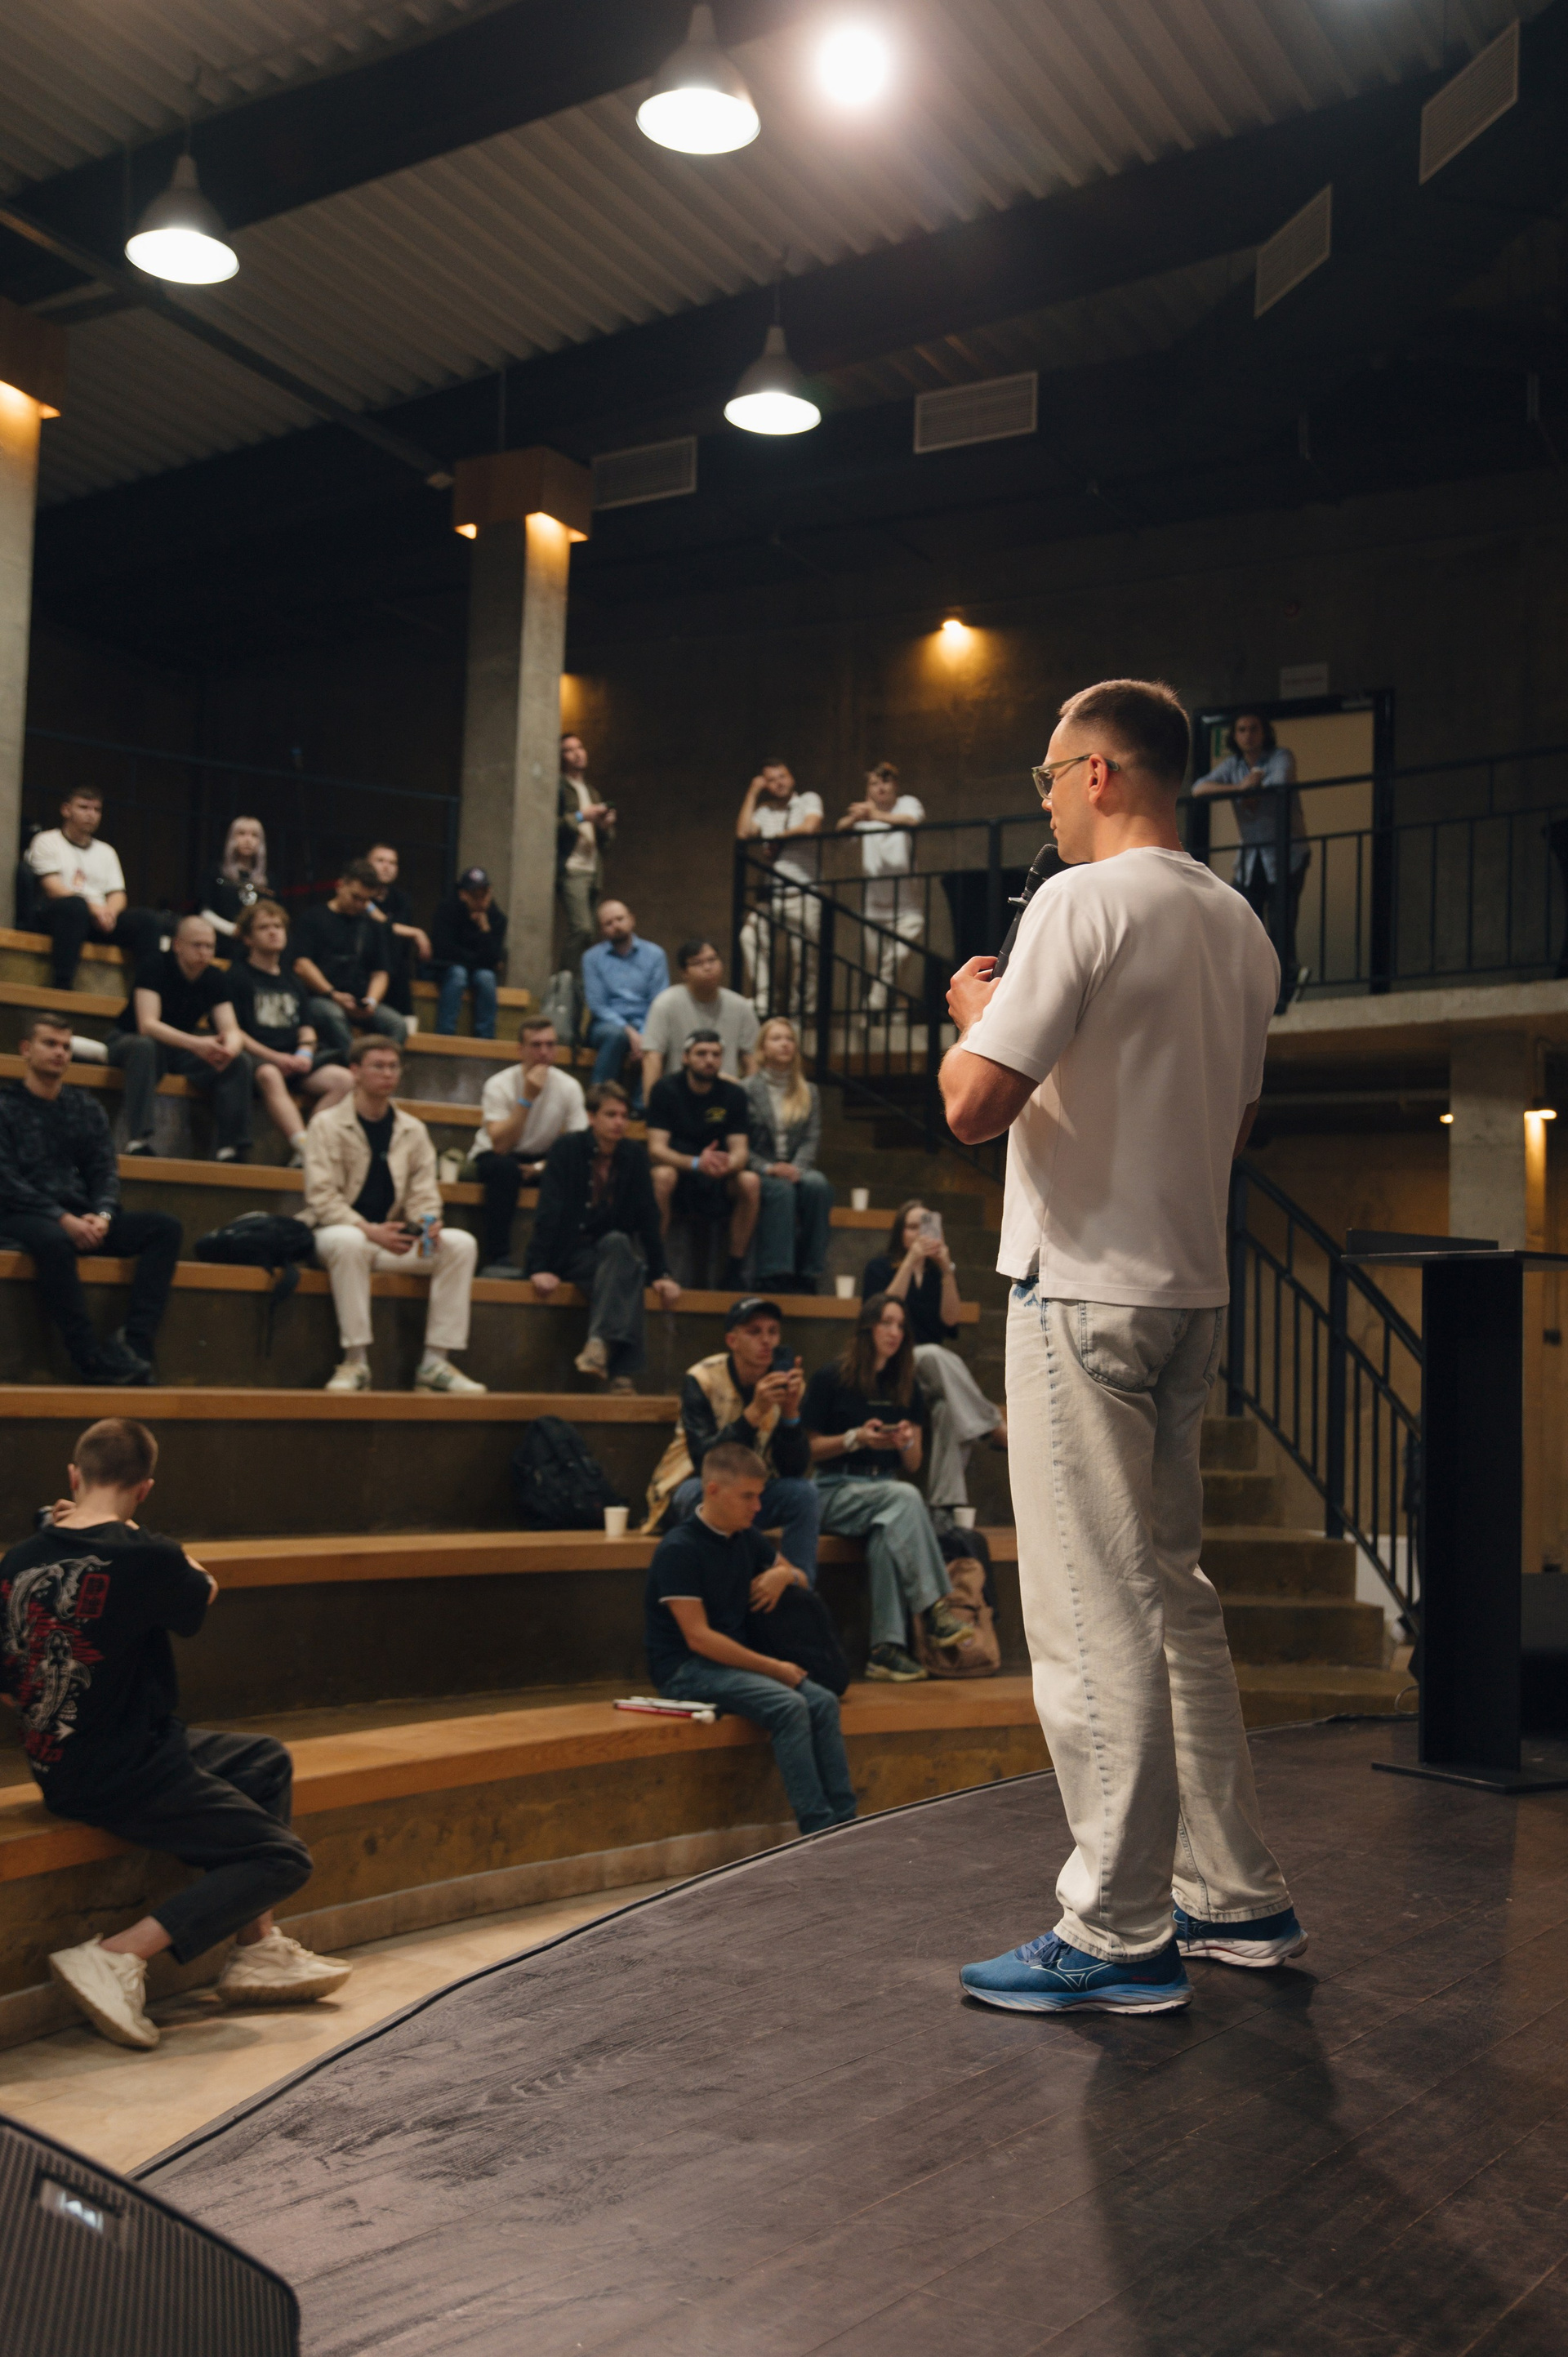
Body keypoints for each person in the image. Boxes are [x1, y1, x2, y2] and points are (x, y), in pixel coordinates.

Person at [943, 674, 1302, 2018]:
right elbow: (1236, 1123)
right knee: (1177, 1601)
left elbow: (976, 1104)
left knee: (1093, 1611)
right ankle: (1236, 1895)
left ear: (1099, 772)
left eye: (1049, 774)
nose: (1044, 799)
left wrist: (970, 1015)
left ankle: (1116, 1927)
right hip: (1189, 1294)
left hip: (1082, 1290)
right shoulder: (1243, 928)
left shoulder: (1077, 902)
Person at [2, 1418, 350, 2050]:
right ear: (145, 1489)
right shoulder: (148, 1555)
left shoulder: (19, 1560)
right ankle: (116, 1954)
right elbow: (205, 1588)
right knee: (281, 1859)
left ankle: (257, 1950)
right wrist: (138, 1533)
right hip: (125, 1770)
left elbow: (9, 1683)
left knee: (264, 1761)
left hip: (60, 1762)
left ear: (74, 1476)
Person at [644, 1441, 856, 1837]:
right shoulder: (679, 1549)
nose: (758, 1507)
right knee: (789, 1705)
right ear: (713, 1491)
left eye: (760, 1496)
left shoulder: (746, 1537)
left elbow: (801, 1577)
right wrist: (773, 1667)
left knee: (824, 1702)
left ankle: (848, 1823)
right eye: (748, 1497)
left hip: (734, 1662)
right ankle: (819, 1830)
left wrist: (783, 1575)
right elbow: (699, 1639)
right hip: (685, 1669)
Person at [0, 1014, 181, 1385]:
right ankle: (88, 1358)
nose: (60, 1053)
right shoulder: (5, 1106)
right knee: (54, 1240)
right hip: (21, 1213)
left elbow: (104, 1171)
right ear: (26, 1049)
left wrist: (103, 1214)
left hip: (80, 1215)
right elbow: (5, 1180)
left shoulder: (85, 1108)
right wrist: (61, 1218)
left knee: (165, 1228)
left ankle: (134, 1345)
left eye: (66, 1046)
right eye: (50, 1044)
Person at [301, 1035, 485, 1396]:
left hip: (393, 1239)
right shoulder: (325, 1124)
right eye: (378, 1066)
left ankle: (435, 1363)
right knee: (350, 1242)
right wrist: (368, 1230)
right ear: (355, 1072)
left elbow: (423, 1193)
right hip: (336, 1234)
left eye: (393, 1067)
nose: (388, 1074)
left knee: (461, 1244)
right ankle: (355, 1362)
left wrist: (427, 1224)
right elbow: (321, 1197)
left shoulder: (412, 1130)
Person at [801, 1293, 971, 1682]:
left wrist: (906, 1442)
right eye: (886, 1323)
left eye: (901, 1326)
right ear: (868, 1328)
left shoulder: (906, 1386)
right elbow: (809, 1450)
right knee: (905, 1498)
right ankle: (934, 1610)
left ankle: (886, 1650)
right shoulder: (832, 1377)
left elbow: (913, 1464)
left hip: (883, 1492)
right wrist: (855, 1438)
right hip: (833, 1488)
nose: (895, 1333)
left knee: (887, 1533)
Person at [643, 1295, 819, 1582]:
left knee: (804, 1493)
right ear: (732, 1340)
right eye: (754, 1332)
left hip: (751, 1492)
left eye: (773, 1332)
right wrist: (754, 1412)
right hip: (691, 1485)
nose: (766, 1341)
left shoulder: (785, 1382)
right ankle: (732, 1587)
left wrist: (790, 1414)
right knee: (707, 1494)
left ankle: (799, 1587)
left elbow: (794, 1469)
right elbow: (704, 1462)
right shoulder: (702, 1379)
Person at [525, 1080, 679, 1392]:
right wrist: (539, 1267)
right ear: (591, 1117)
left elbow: (649, 1216)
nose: (619, 1122)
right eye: (611, 1115)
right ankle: (621, 1372)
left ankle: (598, 1346)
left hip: (610, 1252)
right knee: (631, 1269)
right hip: (569, 1254)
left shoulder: (634, 1156)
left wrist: (662, 1273)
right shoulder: (567, 1149)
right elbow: (549, 1210)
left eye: (624, 1115)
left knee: (621, 1248)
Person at [862, 1198, 1006, 1516]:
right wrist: (910, 1262)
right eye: (912, 1226)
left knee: (946, 1411)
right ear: (900, 1232)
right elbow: (882, 1312)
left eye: (924, 1226)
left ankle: (944, 1507)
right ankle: (993, 1427)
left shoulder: (936, 1274)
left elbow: (951, 1320)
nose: (919, 1233)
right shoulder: (880, 1267)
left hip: (931, 1376)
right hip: (892, 1362)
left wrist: (946, 1271)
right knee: (934, 1354)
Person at [107, 913, 253, 1163]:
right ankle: (137, 1141)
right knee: (145, 1047)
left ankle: (230, 1149)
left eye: (209, 946)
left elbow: (231, 1029)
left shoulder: (214, 977)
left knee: (239, 1061)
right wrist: (197, 1044)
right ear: (177, 945)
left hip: (178, 1050)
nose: (204, 953)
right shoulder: (155, 965)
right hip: (129, 1041)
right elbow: (147, 1025)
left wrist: (228, 1050)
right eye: (197, 945)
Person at [1192, 710, 1310, 1009]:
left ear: (1264, 732)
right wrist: (1241, 787)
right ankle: (1260, 988)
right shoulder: (1232, 766)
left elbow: (1279, 782)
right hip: (1252, 857)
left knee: (1282, 922)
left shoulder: (1280, 756)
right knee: (1245, 921)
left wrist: (1255, 783)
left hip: (1287, 853)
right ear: (1234, 735)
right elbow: (1198, 788)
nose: (1248, 735)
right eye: (1242, 730)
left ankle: (1287, 986)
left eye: (1254, 729)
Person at [225, 899, 355, 1164]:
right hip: (259, 1058)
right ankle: (305, 1147)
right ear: (248, 939)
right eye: (264, 927)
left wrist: (304, 1054)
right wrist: (276, 1058)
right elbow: (234, 1031)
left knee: (345, 1080)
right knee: (270, 1074)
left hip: (293, 1059)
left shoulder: (292, 981)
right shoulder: (237, 976)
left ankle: (308, 1149)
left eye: (278, 926)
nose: (274, 932)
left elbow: (306, 1027)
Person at [474, 1016, 587, 1277]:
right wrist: (527, 1098)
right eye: (536, 1045)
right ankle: (499, 1258)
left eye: (551, 1045)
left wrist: (540, 1168)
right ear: (520, 1050)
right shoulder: (498, 1084)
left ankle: (561, 1260)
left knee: (575, 1174)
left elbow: (579, 1148)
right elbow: (501, 1144)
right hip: (498, 1155)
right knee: (505, 1170)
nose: (544, 1052)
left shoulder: (569, 1087)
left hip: (543, 1158)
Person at [646, 1031, 760, 1289]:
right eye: (701, 1053)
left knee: (750, 1181)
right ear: (685, 1057)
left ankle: (734, 1271)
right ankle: (656, 1265)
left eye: (716, 1054)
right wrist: (697, 1163)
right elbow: (656, 1150)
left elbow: (741, 1152)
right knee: (662, 1176)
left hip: (717, 1176)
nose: (709, 1060)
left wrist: (725, 1165)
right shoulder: (665, 1089)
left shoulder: (734, 1094)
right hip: (680, 1173)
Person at [24, 786, 159, 992]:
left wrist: (109, 913)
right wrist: (93, 908)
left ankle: (147, 991)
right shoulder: (47, 841)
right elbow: (52, 887)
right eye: (84, 807)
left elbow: (117, 894)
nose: (91, 815)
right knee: (75, 907)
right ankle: (62, 985)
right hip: (61, 915)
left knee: (147, 920)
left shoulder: (106, 851)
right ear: (66, 810)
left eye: (97, 810)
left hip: (98, 920)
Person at [742, 1017, 833, 1294]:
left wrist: (796, 1168)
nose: (785, 1044)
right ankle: (775, 1272)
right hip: (760, 1167)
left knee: (818, 1186)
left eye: (789, 1039)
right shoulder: (745, 1089)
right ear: (762, 1048)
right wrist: (768, 1168)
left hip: (795, 1168)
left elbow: (811, 1138)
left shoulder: (809, 1091)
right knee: (781, 1191)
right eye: (777, 1038)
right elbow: (739, 1142)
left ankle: (809, 1273)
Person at [289, 861, 408, 1055]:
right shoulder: (313, 918)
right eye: (355, 897)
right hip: (320, 997)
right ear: (340, 886)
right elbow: (302, 964)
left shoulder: (372, 926)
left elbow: (381, 972)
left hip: (360, 1001)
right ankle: (356, 1065)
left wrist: (371, 1001)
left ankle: (382, 1066)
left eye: (366, 901)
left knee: (397, 1024)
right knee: (333, 1015)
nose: (360, 905)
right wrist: (333, 994)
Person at [736, 761, 824, 1018]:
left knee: (804, 957)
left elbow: (810, 826)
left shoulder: (808, 800)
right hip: (772, 895)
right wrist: (753, 792)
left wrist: (778, 838)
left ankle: (801, 1015)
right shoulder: (765, 811)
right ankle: (766, 997)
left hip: (804, 892)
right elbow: (743, 833)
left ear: (792, 778)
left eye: (782, 776)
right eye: (772, 780)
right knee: (749, 936)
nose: (779, 783)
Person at [837, 761, 925, 1009]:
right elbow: (840, 830)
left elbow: (912, 820)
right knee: (883, 966)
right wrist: (854, 817)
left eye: (885, 781)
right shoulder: (866, 814)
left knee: (897, 957)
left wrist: (874, 815)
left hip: (906, 904)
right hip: (875, 906)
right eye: (874, 783)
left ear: (895, 784)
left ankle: (875, 1002)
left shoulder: (906, 803)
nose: (880, 787)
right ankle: (895, 1012)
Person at [641, 938, 759, 1094]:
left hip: (726, 1095)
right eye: (698, 963)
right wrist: (652, 1103)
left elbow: (753, 1060)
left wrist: (751, 1100)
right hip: (679, 1095)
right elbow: (652, 1057)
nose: (708, 967)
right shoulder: (665, 1004)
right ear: (684, 972)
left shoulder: (741, 1006)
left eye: (712, 960)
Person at [581, 897, 669, 1100]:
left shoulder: (655, 955)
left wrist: (645, 1034)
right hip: (606, 1024)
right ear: (602, 930)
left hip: (647, 1021)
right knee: (616, 1035)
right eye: (608, 923)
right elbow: (597, 1005)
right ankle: (599, 1100)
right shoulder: (592, 958)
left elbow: (659, 1002)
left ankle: (643, 1106)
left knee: (657, 1040)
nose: (616, 926)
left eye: (620, 919)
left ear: (632, 919)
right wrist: (629, 1032)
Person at [558, 733, 615, 974]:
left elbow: (605, 842)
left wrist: (605, 826)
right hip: (572, 867)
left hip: (593, 869)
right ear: (561, 757)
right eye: (569, 750)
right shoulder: (559, 787)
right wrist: (582, 816)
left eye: (580, 747)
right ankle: (564, 983)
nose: (577, 753)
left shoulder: (592, 792)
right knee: (582, 929)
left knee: (590, 935)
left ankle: (578, 986)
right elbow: (547, 827)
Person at [430, 866, 508, 1038]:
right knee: (458, 974)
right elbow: (444, 950)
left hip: (478, 971)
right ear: (463, 894)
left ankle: (486, 1038)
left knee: (486, 977)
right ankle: (444, 1035)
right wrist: (479, 959)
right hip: (448, 970)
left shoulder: (497, 918)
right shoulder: (447, 910)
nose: (480, 900)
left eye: (484, 894)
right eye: (474, 895)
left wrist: (485, 929)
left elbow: (494, 958)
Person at [365, 842, 430, 1023]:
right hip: (364, 967)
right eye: (380, 861)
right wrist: (416, 933)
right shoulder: (359, 896)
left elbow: (394, 929)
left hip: (394, 970)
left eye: (392, 863)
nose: (387, 867)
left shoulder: (401, 899)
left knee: (398, 959)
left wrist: (413, 932)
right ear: (367, 864)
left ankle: (406, 1020)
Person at [196, 815, 270, 938]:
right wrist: (231, 930)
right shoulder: (216, 873)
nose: (248, 840)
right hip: (222, 940)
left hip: (257, 942)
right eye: (241, 833)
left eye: (254, 835)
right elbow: (204, 910)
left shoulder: (268, 879)